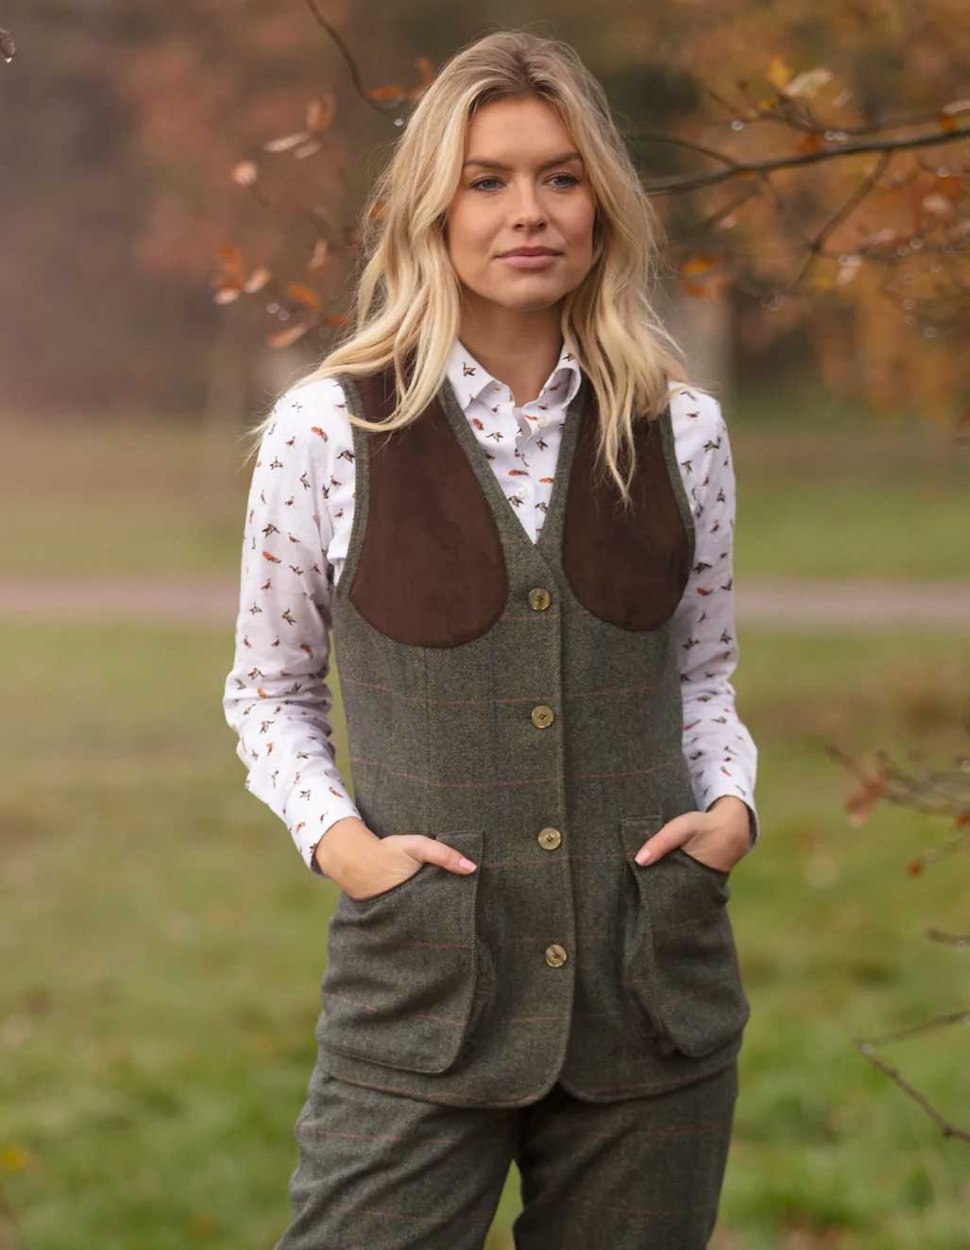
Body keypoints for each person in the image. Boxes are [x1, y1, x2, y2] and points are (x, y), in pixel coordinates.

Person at [222, 27, 760, 1250]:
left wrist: (729, 812)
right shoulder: (323, 431)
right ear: (430, 210)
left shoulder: (683, 431)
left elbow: (706, 674)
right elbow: (267, 691)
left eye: (561, 177)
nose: (531, 211)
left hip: (650, 995)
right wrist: (345, 846)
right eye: (489, 179)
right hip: (421, 996)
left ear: (601, 206)